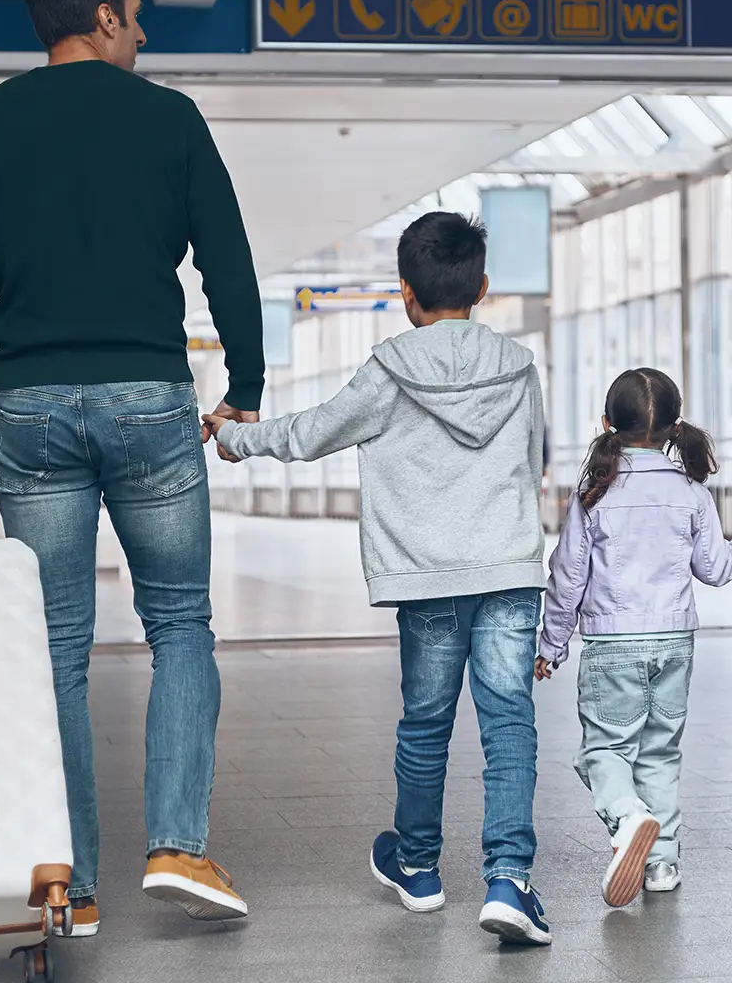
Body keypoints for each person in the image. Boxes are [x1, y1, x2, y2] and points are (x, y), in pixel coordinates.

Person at [0, 0, 263, 934]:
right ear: (105, 18)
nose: (146, 29)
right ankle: (176, 843)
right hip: (148, 401)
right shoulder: (169, 118)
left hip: (32, 406)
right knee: (177, 624)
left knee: (54, 651)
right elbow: (227, 261)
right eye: (137, 12)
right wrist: (244, 385)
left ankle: (70, 886)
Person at [206, 213, 554, 947]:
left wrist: (235, 438)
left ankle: (420, 868)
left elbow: (314, 431)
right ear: (482, 287)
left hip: (426, 576)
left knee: (426, 724)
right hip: (508, 567)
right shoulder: (519, 367)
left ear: (405, 294)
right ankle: (510, 880)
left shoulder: (390, 368)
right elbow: (536, 457)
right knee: (509, 725)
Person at [534, 367, 732, 908]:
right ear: (674, 426)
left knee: (604, 751)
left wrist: (551, 644)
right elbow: (714, 567)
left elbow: (568, 573)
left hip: (613, 645)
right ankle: (662, 861)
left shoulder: (595, 490)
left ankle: (628, 815)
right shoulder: (691, 492)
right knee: (660, 754)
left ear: (605, 423)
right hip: (675, 644)